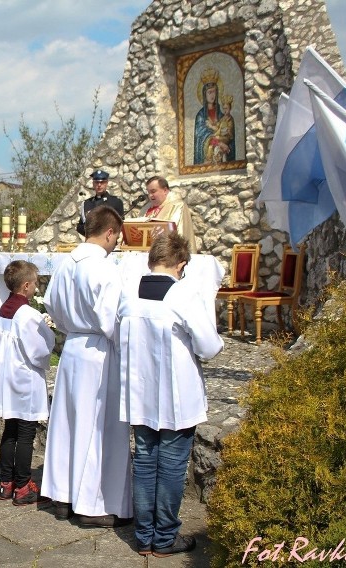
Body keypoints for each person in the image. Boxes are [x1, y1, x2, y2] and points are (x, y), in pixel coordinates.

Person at [117, 232, 223, 557]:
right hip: (176, 396)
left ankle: (144, 537)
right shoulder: (183, 295)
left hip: (141, 393)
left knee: (146, 462)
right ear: (181, 264)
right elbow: (209, 347)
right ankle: (164, 538)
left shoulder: (128, 295)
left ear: (152, 261)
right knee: (173, 466)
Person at [42, 206, 132, 526]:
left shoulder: (67, 263)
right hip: (98, 352)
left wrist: (71, 326)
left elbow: (51, 302)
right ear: (109, 232)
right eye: (117, 236)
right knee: (99, 429)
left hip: (74, 348)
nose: (116, 242)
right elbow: (113, 319)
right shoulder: (104, 268)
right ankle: (93, 506)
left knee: (69, 425)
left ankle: (63, 496)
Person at [0, 260, 54, 505]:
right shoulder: (28, 314)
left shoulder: (3, 309)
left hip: (6, 379)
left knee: (10, 430)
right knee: (25, 433)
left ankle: (6, 483)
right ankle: (23, 486)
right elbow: (39, 351)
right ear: (25, 286)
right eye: (34, 284)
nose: (36, 288)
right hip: (24, 380)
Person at [137, 176, 197, 253]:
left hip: (167, 255)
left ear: (165, 190)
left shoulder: (177, 206)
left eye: (153, 191)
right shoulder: (145, 209)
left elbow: (180, 235)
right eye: (148, 192)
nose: (150, 195)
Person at [76, 169, 125, 235]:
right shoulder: (86, 204)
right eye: (96, 182)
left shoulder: (116, 202)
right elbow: (80, 226)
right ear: (93, 183)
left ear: (106, 183)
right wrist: (91, 232)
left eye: (102, 182)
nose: (99, 185)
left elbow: (120, 225)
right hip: (91, 243)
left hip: (109, 243)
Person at [204, 94, 235, 164]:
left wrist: (226, 131)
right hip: (221, 136)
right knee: (211, 139)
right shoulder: (222, 119)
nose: (225, 110)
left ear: (230, 108)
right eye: (224, 108)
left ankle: (224, 146)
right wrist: (211, 125)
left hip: (226, 138)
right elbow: (217, 128)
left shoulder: (230, 119)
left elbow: (230, 132)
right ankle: (210, 158)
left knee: (214, 138)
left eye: (226, 108)